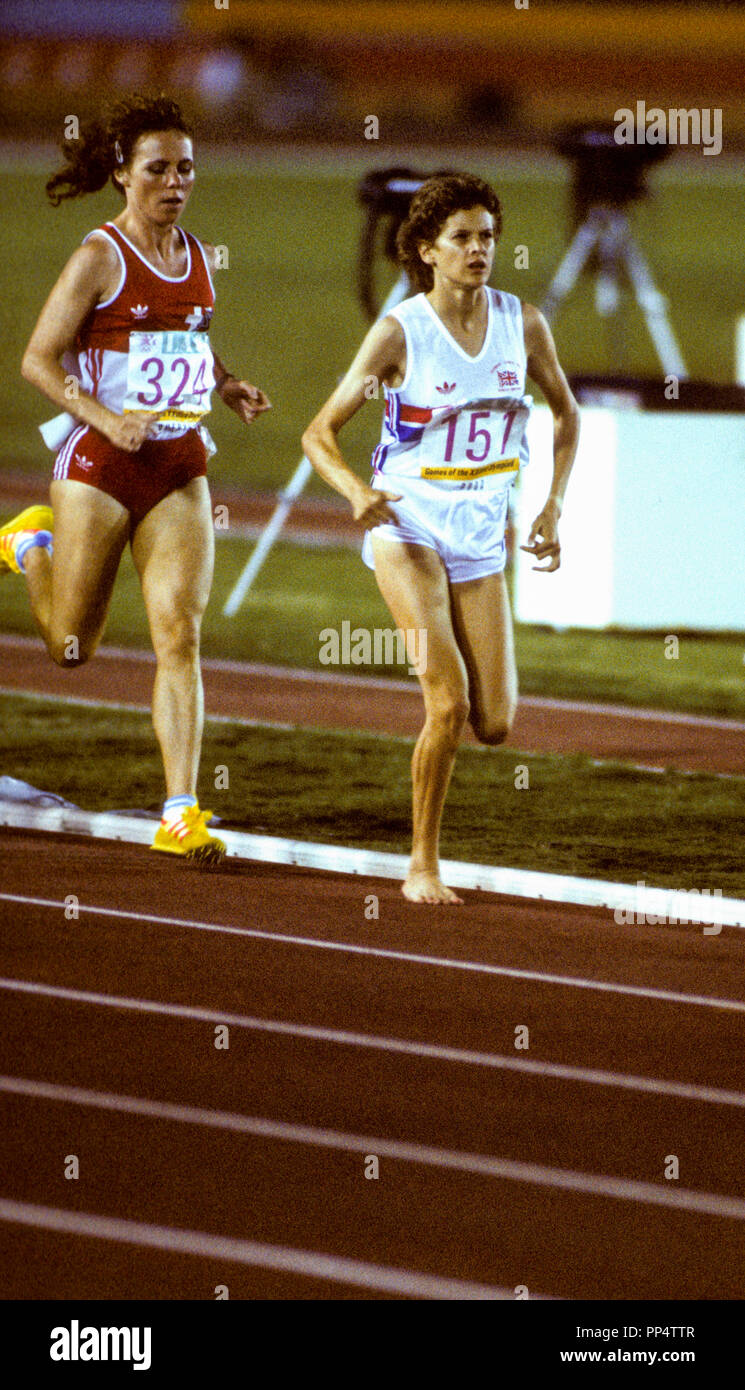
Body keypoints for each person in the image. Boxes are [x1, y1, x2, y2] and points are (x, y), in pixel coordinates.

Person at [0, 94, 270, 864]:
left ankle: (179, 813)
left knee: (179, 635)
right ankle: (30, 550)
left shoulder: (196, 255)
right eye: (158, 169)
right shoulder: (99, 257)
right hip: (101, 466)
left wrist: (226, 384)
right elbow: (36, 358)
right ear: (122, 173)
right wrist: (103, 417)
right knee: (71, 650)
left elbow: (187, 340)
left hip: (180, 464)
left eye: (186, 168)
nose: (175, 182)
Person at [302, 173, 580, 905]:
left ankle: (438, 666)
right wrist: (359, 492)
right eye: (461, 237)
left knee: (493, 722)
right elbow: (317, 432)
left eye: (487, 235)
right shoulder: (400, 332)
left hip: (481, 534)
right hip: (409, 526)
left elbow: (566, 415)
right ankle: (421, 864)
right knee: (447, 705)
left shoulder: (523, 324)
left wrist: (550, 505)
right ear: (427, 250)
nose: (478, 248)